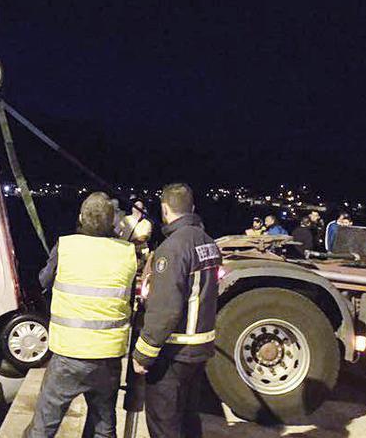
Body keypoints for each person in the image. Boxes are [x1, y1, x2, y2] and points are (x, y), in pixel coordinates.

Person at [25, 192, 137, 438]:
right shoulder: (127, 252)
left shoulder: (66, 246)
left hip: (69, 354)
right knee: (104, 424)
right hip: (108, 357)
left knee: (45, 424)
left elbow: (43, 280)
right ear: (112, 223)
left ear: (80, 217)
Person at [132, 183, 221, 438]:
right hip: (199, 350)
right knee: (188, 418)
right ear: (192, 208)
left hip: (174, 352)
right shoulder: (208, 243)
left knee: (164, 424)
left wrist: (144, 353)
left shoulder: (172, 249)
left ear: (164, 209)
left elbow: (166, 310)